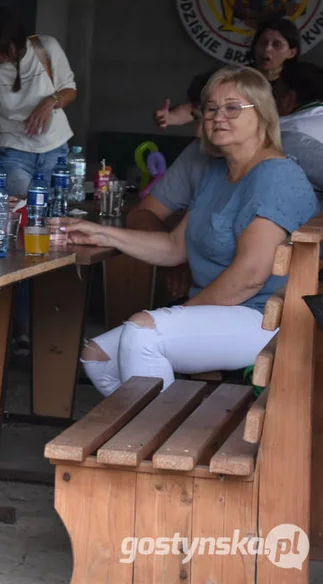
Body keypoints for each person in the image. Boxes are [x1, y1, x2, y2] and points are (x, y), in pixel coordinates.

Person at [67, 65, 318, 396]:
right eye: (210, 109)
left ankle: (154, 439)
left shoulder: (275, 176)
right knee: (97, 356)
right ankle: (157, 434)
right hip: (224, 311)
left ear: (261, 114)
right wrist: (103, 234)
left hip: (264, 318)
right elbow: (174, 247)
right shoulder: (220, 172)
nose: (217, 117)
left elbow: (251, 276)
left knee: (143, 333)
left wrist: (180, 313)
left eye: (232, 107)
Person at [0, 7, 78, 197]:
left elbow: (70, 91)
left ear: (18, 42)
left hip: (55, 149)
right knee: (18, 208)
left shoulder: (46, 48)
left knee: (53, 213)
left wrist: (50, 101)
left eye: (1, 49)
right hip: (13, 151)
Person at [155, 17, 301, 129]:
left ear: (291, 52)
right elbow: (195, 109)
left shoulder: (298, 84)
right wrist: (170, 117)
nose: (267, 49)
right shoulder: (237, 77)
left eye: (277, 45)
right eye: (263, 43)